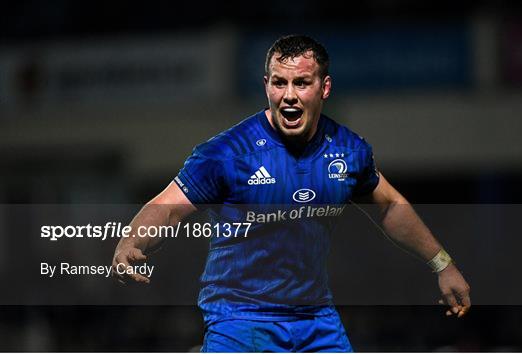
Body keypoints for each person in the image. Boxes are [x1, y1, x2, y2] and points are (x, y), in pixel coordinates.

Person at [112, 34, 471, 352]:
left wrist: (443, 264)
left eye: (301, 83)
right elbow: (167, 207)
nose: (289, 96)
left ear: (324, 88)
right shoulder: (226, 154)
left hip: (316, 320)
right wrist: (132, 241)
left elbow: (389, 205)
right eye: (279, 83)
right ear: (266, 84)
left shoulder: (348, 151)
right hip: (239, 320)